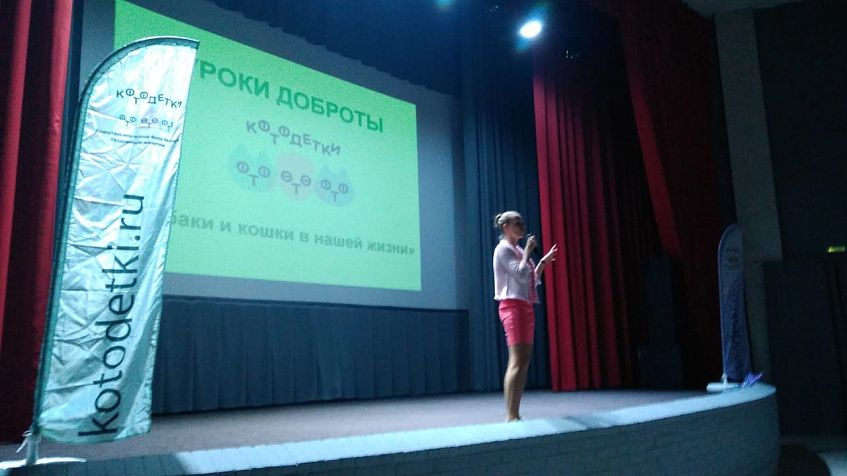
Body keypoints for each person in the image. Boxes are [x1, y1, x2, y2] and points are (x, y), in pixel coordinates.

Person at [492, 211, 557, 422]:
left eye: (522, 222)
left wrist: (542, 263)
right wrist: (528, 251)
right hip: (512, 307)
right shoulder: (503, 249)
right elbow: (519, 275)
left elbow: (531, 279)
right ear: (505, 227)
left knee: (524, 360)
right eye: (516, 223)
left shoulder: (518, 250)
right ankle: (510, 415)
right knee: (517, 360)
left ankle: (516, 413)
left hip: (525, 306)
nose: (522, 226)